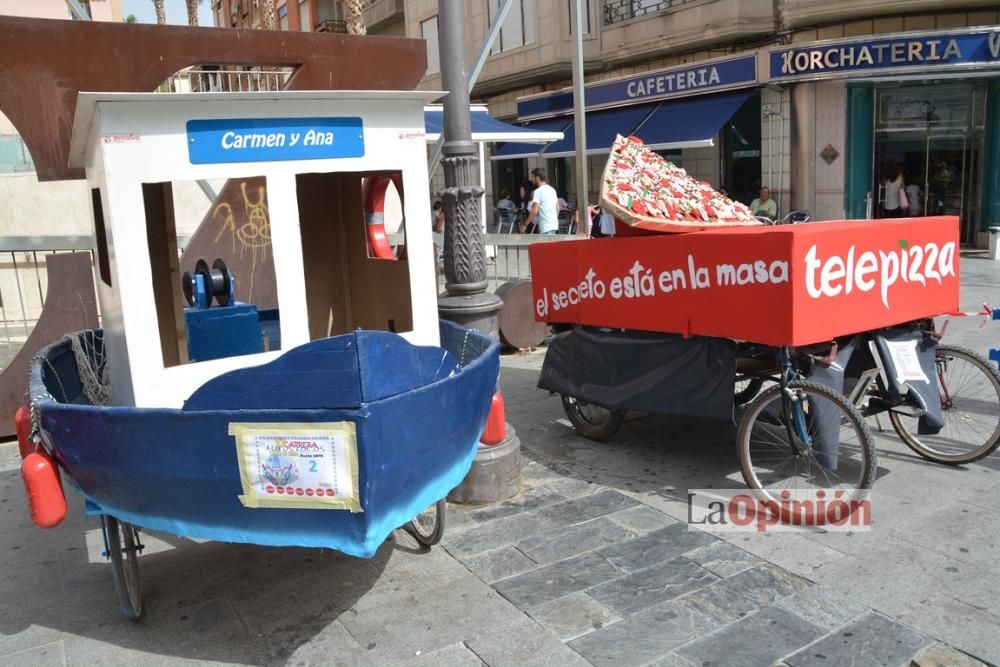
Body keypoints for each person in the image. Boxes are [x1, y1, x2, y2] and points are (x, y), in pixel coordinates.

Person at [522, 168, 559, 234]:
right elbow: (557, 208)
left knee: (546, 244)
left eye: (533, 177)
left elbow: (534, 210)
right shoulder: (552, 190)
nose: (531, 179)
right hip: (554, 225)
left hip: (545, 227)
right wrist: (553, 220)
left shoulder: (538, 191)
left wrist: (525, 225)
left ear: (538, 178)